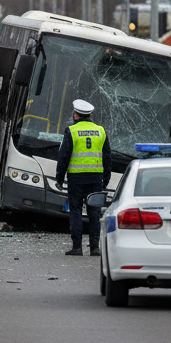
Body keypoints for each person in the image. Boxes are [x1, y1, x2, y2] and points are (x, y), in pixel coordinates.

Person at [55, 99, 111, 257]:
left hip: (76, 179)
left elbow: (64, 157)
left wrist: (59, 179)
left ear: (76, 114)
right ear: (89, 115)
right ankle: (95, 248)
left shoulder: (72, 131)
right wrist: (105, 179)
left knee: (76, 211)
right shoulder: (100, 131)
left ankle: (77, 248)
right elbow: (107, 157)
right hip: (95, 179)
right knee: (95, 213)